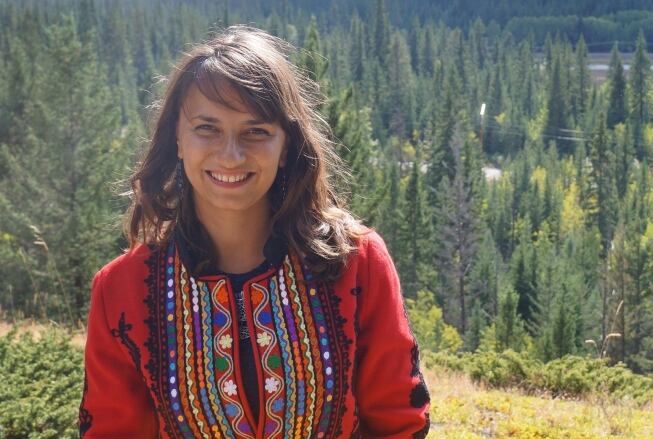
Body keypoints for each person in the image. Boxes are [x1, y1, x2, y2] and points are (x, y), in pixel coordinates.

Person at [78, 26, 430, 439]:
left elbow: (399, 424)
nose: (231, 155)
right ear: (177, 137)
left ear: (286, 146)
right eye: (207, 128)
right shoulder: (123, 290)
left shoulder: (356, 263)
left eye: (256, 131)